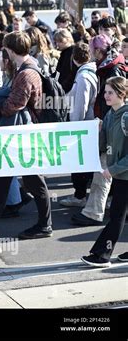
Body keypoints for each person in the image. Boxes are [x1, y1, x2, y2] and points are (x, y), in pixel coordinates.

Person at [0, 31, 53, 239]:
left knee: (33, 180)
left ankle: (45, 224)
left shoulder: (25, 73)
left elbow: (15, 104)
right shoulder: (27, 68)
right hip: (20, 131)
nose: (3, 52)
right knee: (6, 176)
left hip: (22, 132)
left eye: (5, 48)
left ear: (11, 50)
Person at [81, 76, 128, 267]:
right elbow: (103, 145)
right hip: (120, 175)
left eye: (110, 92)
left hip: (123, 175)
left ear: (122, 93)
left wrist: (113, 169)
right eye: (105, 92)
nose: (106, 96)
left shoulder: (126, 116)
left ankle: (102, 254)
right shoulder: (110, 114)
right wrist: (98, 130)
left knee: (116, 215)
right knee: (119, 214)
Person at [59, 42, 98, 208]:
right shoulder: (90, 71)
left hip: (82, 124)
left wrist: (74, 126)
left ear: (74, 59)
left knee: (79, 161)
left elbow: (80, 103)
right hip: (88, 122)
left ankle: (79, 196)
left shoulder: (82, 76)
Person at [53, 29, 77, 93]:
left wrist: (62, 89)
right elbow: (58, 72)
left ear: (68, 39)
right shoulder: (64, 52)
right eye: (56, 42)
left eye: (60, 41)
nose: (58, 44)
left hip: (69, 91)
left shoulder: (74, 52)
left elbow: (72, 73)